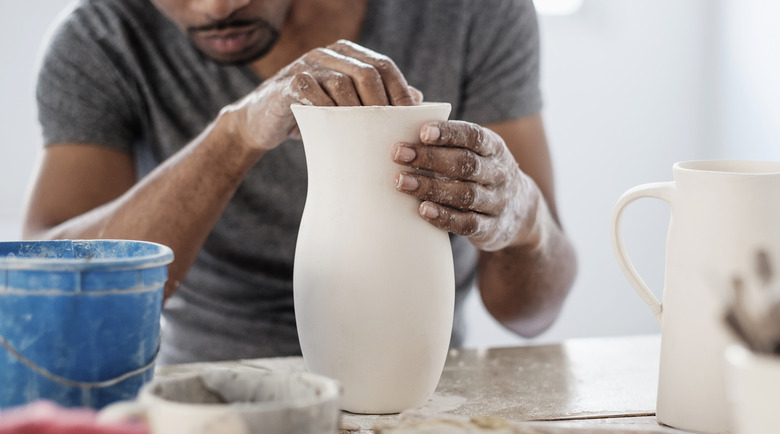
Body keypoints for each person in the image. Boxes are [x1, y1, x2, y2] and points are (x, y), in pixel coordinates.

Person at [24, 0, 577, 364]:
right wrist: (235, 134)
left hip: (424, 385)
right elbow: (49, 311)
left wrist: (523, 218)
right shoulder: (102, 39)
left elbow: (531, 315)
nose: (215, 8)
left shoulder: (470, 13)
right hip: (216, 391)